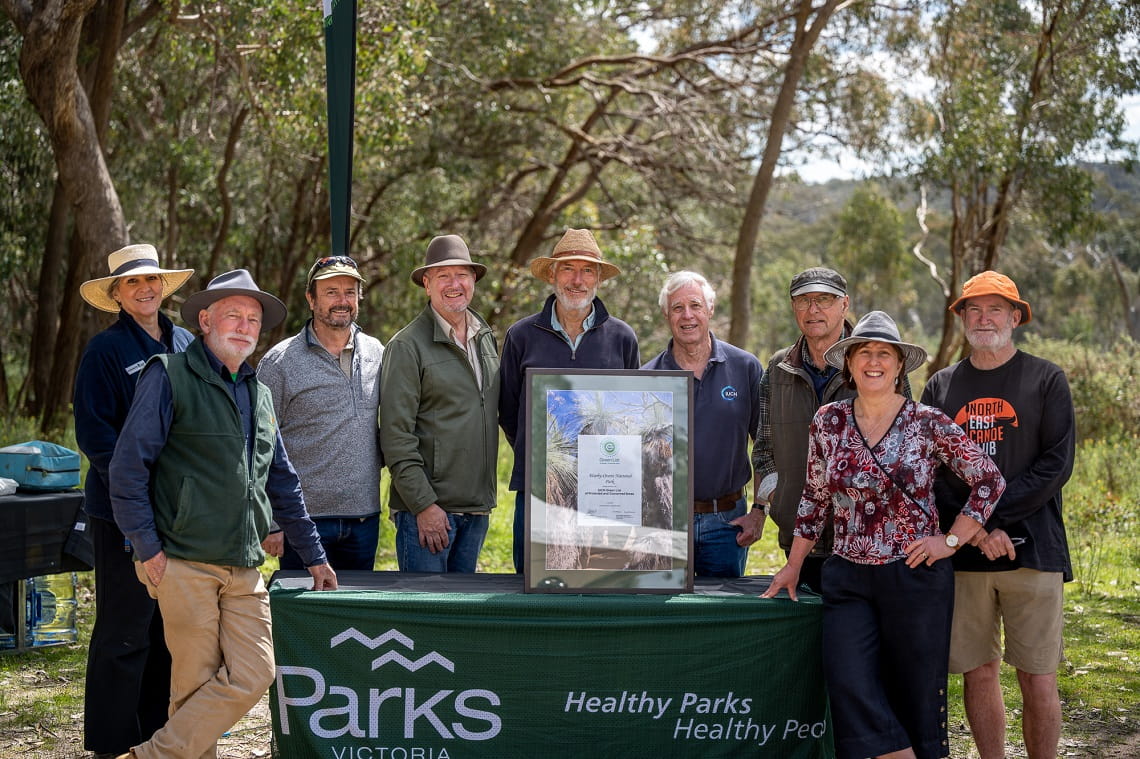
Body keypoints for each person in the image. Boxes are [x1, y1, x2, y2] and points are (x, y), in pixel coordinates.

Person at [108, 269, 337, 759]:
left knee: (257, 672)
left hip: (244, 566)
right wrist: (147, 549)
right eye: (233, 314)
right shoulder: (166, 374)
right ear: (206, 320)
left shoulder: (261, 394)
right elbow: (127, 470)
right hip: (182, 560)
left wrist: (314, 555)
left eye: (253, 318)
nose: (244, 325)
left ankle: (146, 757)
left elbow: (283, 481)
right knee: (192, 687)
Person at [763, 310, 1005, 759]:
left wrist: (949, 540)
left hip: (915, 576)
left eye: (884, 354)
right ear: (851, 365)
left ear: (898, 366)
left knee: (915, 689)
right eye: (864, 353)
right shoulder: (828, 422)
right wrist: (793, 565)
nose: (873, 361)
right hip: (848, 575)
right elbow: (815, 499)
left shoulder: (927, 422)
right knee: (848, 679)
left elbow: (989, 479)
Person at [921, 271, 1075, 759]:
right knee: (978, 670)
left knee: (1037, 674)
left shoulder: (1046, 378)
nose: (984, 318)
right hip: (966, 554)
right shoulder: (941, 386)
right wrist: (978, 530)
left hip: (1035, 550)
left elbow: (1056, 463)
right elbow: (932, 472)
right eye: (974, 310)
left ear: (1015, 317)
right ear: (963, 318)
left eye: (995, 310)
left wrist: (994, 521)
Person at [73, 244, 194, 759]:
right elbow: (95, 435)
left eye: (152, 282)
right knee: (125, 628)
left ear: (163, 287)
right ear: (118, 295)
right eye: (132, 284)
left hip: (180, 512)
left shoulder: (188, 342)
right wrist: (133, 493)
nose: (145, 289)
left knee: (169, 628)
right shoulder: (104, 353)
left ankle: (153, 738)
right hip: (120, 511)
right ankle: (110, 742)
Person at [498, 228, 640, 573]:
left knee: (600, 579)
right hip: (538, 489)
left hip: (605, 490)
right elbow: (508, 409)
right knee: (534, 583)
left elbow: (630, 414)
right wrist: (541, 458)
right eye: (568, 269)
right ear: (552, 275)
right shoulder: (521, 335)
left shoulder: (622, 337)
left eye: (587, 270)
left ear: (598, 280)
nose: (577, 280)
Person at [379, 235, 499, 573]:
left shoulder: (484, 336)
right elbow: (395, 436)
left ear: (473, 281)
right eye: (443, 276)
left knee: (461, 623)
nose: (454, 284)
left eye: (462, 274)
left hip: (476, 511)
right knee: (424, 622)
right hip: (429, 514)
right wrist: (424, 505)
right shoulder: (407, 346)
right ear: (427, 284)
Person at [257, 254, 384, 570]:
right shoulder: (279, 363)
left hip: (364, 519)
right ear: (310, 299)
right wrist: (272, 520)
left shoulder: (378, 354)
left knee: (355, 616)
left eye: (350, 292)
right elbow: (259, 444)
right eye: (331, 292)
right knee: (305, 617)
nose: (342, 301)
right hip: (303, 521)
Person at [752, 267, 870, 592]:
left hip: (863, 542)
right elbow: (763, 451)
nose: (813, 309)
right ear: (793, 308)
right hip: (798, 544)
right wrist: (783, 500)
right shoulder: (777, 369)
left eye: (824, 299)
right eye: (803, 300)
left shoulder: (874, 363)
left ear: (844, 304)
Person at [641, 271, 763, 577]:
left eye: (695, 305)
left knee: (722, 621)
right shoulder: (647, 377)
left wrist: (759, 512)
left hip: (727, 523)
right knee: (663, 617)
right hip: (663, 524)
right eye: (677, 308)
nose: (687, 316)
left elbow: (766, 446)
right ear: (666, 315)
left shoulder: (745, 367)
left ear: (710, 309)